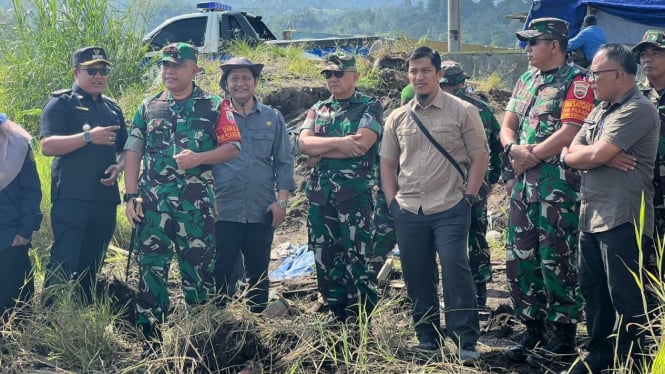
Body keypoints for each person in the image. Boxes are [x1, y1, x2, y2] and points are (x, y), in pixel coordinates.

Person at [123, 42, 241, 355]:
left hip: (195, 208)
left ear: (194, 69)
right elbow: (133, 151)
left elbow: (232, 148)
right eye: (164, 65)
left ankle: (200, 341)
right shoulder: (148, 106)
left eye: (176, 65)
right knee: (150, 271)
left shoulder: (216, 105)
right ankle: (150, 342)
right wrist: (130, 195)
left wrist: (199, 157)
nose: (169, 71)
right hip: (153, 206)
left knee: (198, 272)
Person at [380, 46, 488, 365]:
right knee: (417, 274)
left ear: (439, 74)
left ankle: (466, 340)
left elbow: (479, 155)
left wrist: (468, 196)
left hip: (450, 206)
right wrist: (392, 201)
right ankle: (427, 337)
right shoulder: (397, 117)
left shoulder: (463, 111)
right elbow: (387, 163)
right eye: (413, 71)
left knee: (455, 267)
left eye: (425, 71)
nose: (419, 77)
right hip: (409, 209)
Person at [500, 18, 594, 367]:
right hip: (524, 187)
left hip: (558, 189)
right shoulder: (526, 80)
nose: (527, 49)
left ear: (554, 44)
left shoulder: (579, 81)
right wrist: (513, 151)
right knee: (521, 259)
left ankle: (563, 337)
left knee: (557, 260)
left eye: (532, 42)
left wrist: (532, 155)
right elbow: (507, 124)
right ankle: (533, 329)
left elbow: (571, 130)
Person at [560, 43, 659, 374]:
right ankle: (598, 355)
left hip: (622, 218)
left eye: (595, 73)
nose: (590, 80)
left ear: (617, 74)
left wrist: (593, 155)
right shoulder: (602, 108)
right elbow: (571, 152)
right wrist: (590, 156)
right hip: (591, 216)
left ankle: (633, 362)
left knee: (627, 297)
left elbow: (590, 155)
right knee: (594, 293)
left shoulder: (638, 109)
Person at [298, 52, 383, 323]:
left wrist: (320, 151)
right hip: (321, 196)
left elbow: (361, 145)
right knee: (324, 256)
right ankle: (336, 312)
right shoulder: (318, 108)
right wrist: (339, 144)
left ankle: (364, 315)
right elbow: (302, 145)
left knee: (358, 256)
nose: (332, 78)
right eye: (328, 74)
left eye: (338, 73)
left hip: (354, 195)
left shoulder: (370, 106)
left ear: (355, 76)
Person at [40, 46, 126, 300]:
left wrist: (119, 167)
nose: (98, 76)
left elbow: (126, 150)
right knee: (64, 259)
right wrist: (89, 137)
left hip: (105, 198)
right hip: (72, 198)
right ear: (76, 72)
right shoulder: (61, 103)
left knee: (93, 262)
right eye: (92, 71)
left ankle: (83, 314)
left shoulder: (112, 108)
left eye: (103, 71)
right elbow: (47, 146)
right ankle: (50, 317)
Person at [213, 57, 295, 312]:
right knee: (222, 269)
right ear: (226, 84)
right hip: (223, 208)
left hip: (261, 208)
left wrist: (281, 202)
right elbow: (203, 161)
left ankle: (257, 325)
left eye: (246, 78)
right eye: (234, 79)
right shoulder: (215, 117)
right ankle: (219, 323)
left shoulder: (272, 118)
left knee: (258, 271)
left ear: (255, 82)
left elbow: (283, 162)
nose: (240, 84)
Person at [438, 60, 503, 307]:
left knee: (453, 238)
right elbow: (498, 149)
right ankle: (478, 293)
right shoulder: (483, 108)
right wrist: (493, 178)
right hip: (476, 185)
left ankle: (463, 294)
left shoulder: (446, 108)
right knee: (475, 235)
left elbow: (496, 148)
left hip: (454, 185)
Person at [0, 115, 42, 323]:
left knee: (14, 308)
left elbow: (31, 191)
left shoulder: (17, 144)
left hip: (10, 238)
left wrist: (26, 230)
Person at [633, 30, 665, 242]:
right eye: (643, 54)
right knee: (646, 246)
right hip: (642, 183)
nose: (647, 59)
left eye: (656, 52)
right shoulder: (632, 94)